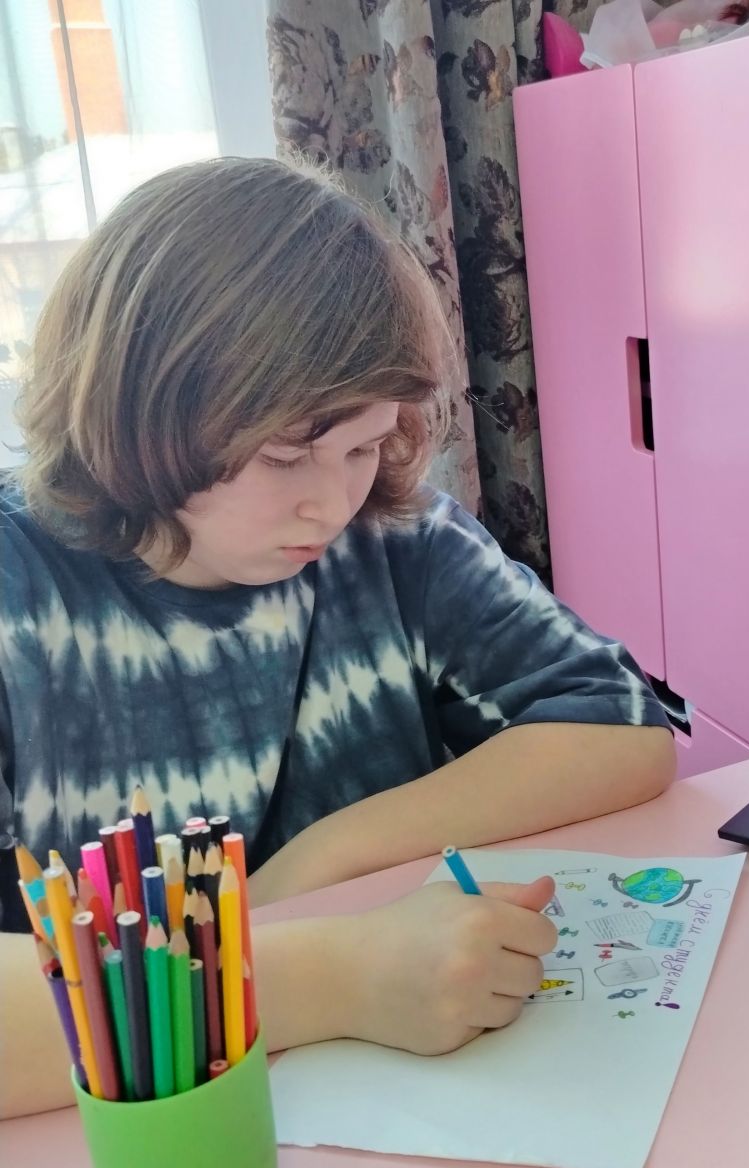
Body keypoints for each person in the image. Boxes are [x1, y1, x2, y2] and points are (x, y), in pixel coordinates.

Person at [0, 156, 675, 1117]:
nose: (330, 502)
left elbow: (620, 729)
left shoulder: (393, 538)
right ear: (143, 412)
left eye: (363, 446)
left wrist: (324, 856)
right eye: (285, 457)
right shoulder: (20, 590)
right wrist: (328, 975)